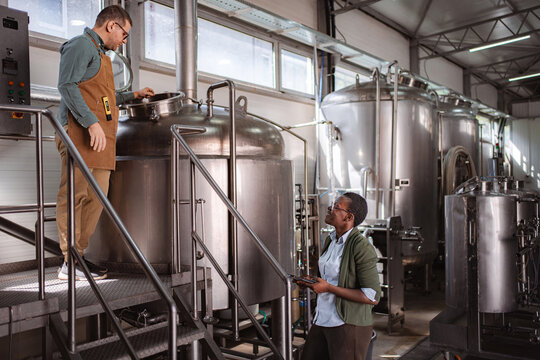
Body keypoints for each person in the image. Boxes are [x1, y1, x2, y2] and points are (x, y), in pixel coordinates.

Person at [56, 5, 155, 281]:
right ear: (111, 25)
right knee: (75, 196)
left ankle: (79, 256)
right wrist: (91, 122)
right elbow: (66, 85)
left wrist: (133, 95)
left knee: (96, 198)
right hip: (78, 132)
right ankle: (69, 260)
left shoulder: (102, 56)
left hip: (99, 138)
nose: (124, 41)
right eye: (124, 34)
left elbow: (104, 99)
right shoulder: (81, 46)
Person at [300, 192, 381, 360]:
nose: (330, 208)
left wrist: (328, 288)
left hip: (347, 324)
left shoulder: (361, 247)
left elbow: (372, 296)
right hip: (322, 317)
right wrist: (314, 282)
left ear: (348, 217)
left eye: (336, 206)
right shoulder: (331, 240)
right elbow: (330, 277)